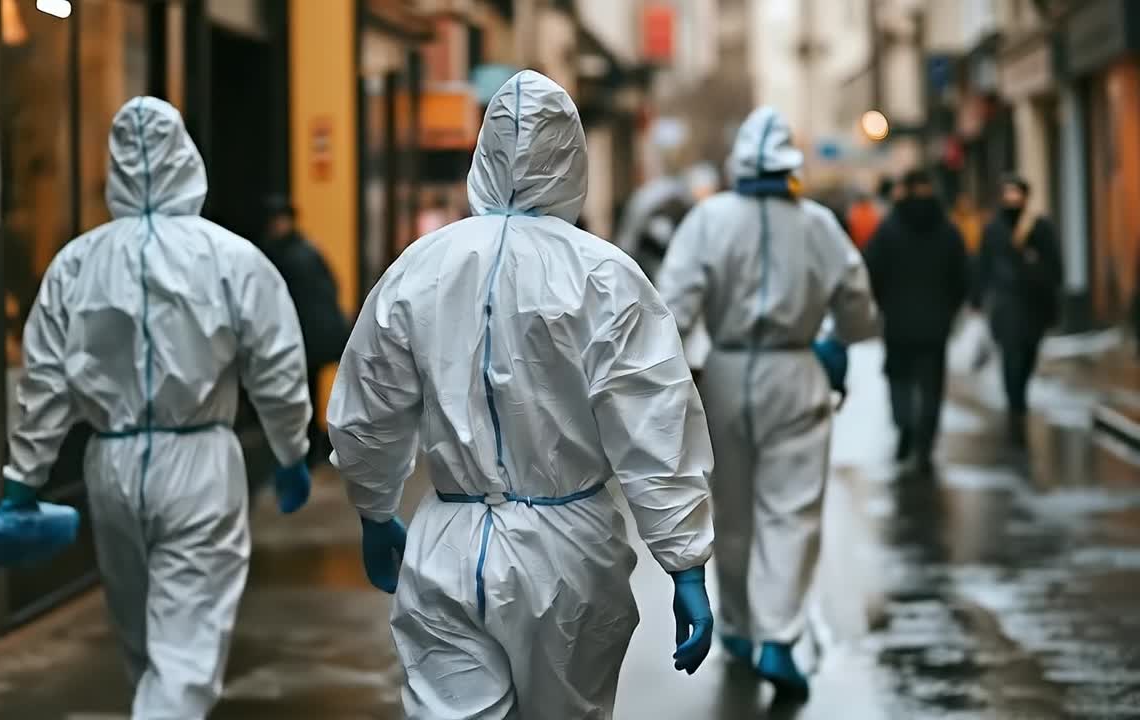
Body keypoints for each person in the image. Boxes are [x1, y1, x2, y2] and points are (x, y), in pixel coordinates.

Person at [328, 70, 717, 718]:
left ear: (483, 155)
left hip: (448, 548)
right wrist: (684, 559)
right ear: (572, 158)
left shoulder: (421, 266)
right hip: (569, 554)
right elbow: (655, 423)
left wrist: (373, 505)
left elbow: (369, 403)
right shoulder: (606, 276)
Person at [0, 97, 314, 718]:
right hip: (200, 464)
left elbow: (44, 381)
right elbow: (277, 366)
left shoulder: (76, 263)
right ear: (186, 160)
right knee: (184, 654)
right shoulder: (231, 258)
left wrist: (23, 480)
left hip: (110, 466)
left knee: (144, 643)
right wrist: (291, 450)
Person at [657, 106, 880, 701]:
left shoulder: (708, 220)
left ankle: (736, 627)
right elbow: (858, 308)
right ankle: (778, 638)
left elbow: (672, 308)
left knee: (731, 511)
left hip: (726, 373)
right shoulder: (818, 225)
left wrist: (670, 376)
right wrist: (836, 339)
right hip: (795, 370)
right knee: (791, 511)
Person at [864, 169, 969, 472]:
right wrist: (949, 308)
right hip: (935, 324)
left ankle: (905, 425)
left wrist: (883, 304)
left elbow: (870, 272)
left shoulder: (888, 229)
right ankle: (925, 444)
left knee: (899, 379)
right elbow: (962, 275)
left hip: (898, 322)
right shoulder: (948, 230)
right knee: (931, 386)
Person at [972, 174, 1063, 444]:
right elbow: (983, 264)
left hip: (1034, 304)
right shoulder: (994, 229)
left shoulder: (1039, 227)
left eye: (1016, 193)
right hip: (1006, 304)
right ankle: (1015, 403)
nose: (1012, 198)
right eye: (1008, 193)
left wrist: (1037, 269)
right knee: (1011, 353)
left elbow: (1055, 266)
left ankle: (1019, 394)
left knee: (1028, 353)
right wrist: (977, 297)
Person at [260, 195, 350, 467]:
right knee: (310, 388)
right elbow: (333, 284)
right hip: (322, 331)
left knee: (303, 390)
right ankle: (315, 444)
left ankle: (307, 448)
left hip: (307, 334)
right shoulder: (308, 248)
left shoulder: (282, 255)